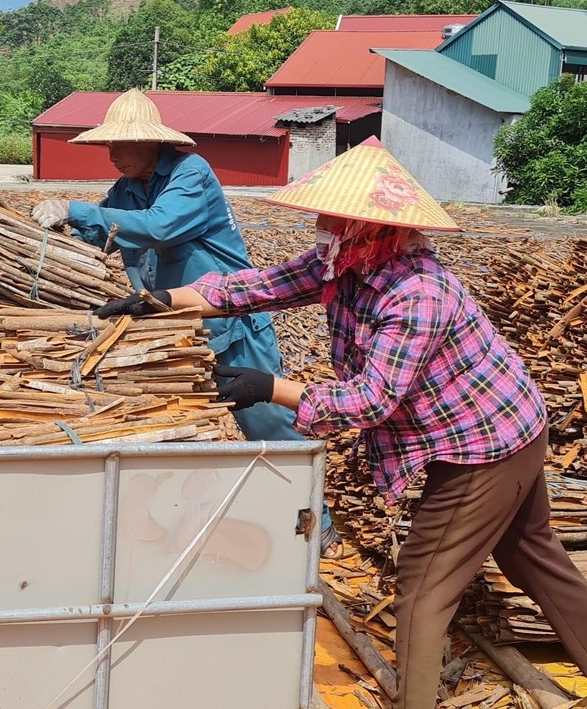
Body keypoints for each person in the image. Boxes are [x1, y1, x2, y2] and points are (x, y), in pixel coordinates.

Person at [96, 138, 587, 709]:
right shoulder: (346, 264)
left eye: (334, 217)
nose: (322, 225)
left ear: (370, 226)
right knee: (533, 556)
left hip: (483, 444)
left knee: (422, 589)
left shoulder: (416, 293)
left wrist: (268, 387)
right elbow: (261, 286)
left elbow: (370, 400)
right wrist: (164, 300)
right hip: (512, 426)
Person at [32, 87, 341, 557]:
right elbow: (109, 233)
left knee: (267, 425)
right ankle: (184, 516)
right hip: (170, 332)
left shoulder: (190, 174)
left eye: (119, 145)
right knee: (170, 425)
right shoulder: (126, 189)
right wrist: (64, 230)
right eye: (107, 145)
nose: (111, 155)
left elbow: (159, 226)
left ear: (152, 143)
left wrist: (74, 207)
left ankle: (317, 526)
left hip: (229, 325)